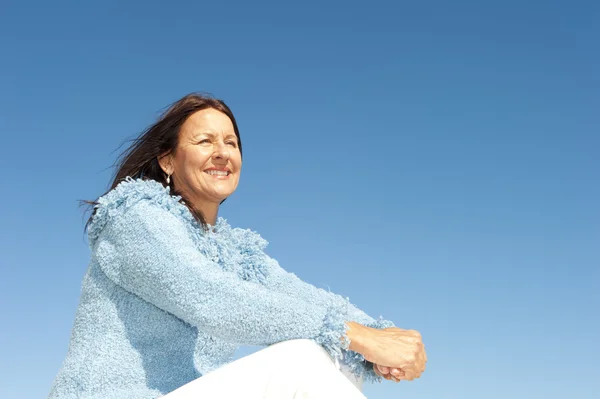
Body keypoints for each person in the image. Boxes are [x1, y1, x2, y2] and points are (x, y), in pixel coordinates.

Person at [48, 93, 427, 399]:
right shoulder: (135, 218)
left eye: (231, 142)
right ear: (167, 161)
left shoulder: (233, 252)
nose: (222, 152)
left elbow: (306, 298)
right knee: (301, 362)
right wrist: (358, 336)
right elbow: (212, 297)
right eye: (204, 141)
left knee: (335, 359)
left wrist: (383, 336)